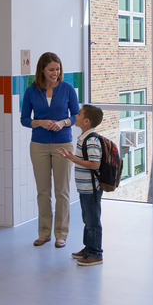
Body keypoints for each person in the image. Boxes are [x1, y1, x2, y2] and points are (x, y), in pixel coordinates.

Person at [20, 52, 79, 248]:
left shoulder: (67, 89)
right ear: (42, 70)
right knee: (43, 192)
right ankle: (44, 233)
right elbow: (24, 119)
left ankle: (61, 234)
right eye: (51, 69)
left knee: (62, 191)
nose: (55, 73)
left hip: (63, 144)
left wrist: (63, 122)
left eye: (58, 69)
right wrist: (40, 122)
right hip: (39, 145)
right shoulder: (31, 91)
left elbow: (76, 115)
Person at [58, 104, 104, 266]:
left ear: (86, 121)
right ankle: (88, 248)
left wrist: (73, 159)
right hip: (85, 188)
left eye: (78, 114)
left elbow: (95, 164)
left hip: (91, 188)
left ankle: (95, 254)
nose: (75, 116)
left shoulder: (91, 140)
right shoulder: (84, 137)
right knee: (87, 220)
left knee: (93, 222)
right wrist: (71, 157)